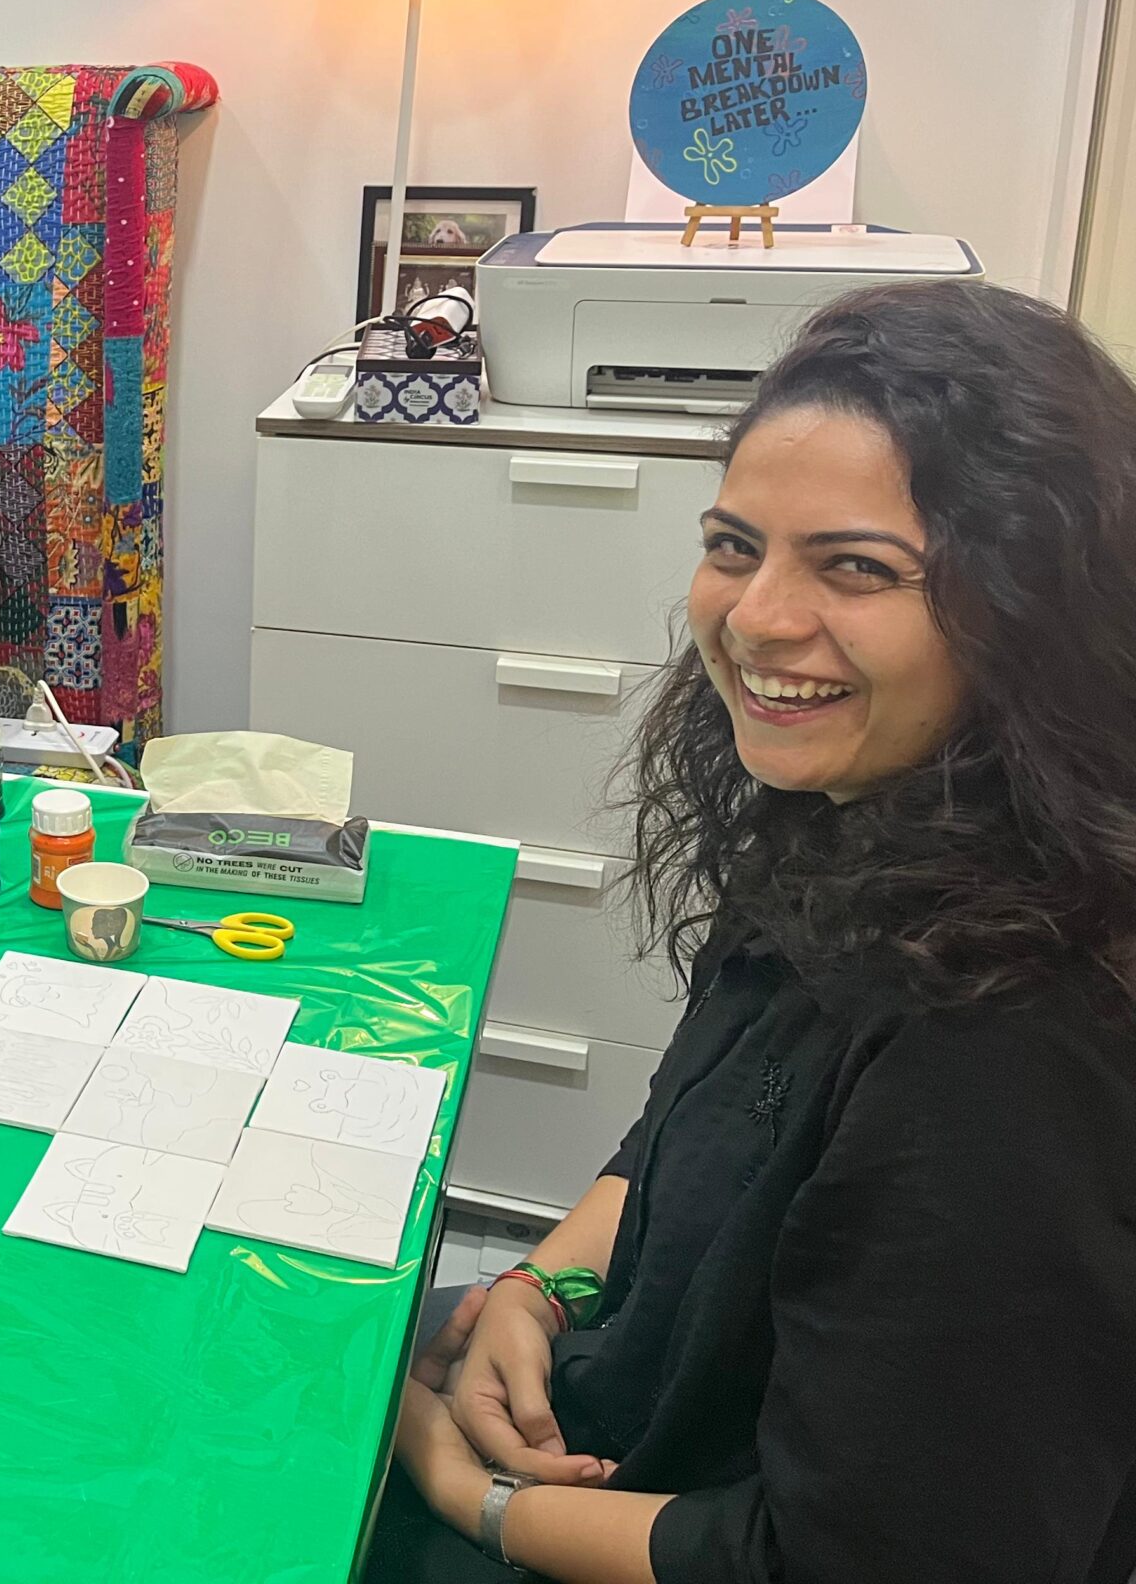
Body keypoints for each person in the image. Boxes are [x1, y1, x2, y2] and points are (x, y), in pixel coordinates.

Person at [367, 280, 1136, 1584]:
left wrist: (467, 1496)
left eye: (856, 567)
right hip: (632, 1395)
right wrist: (534, 1293)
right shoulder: (856, 813)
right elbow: (688, 1132)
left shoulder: (1011, 1047)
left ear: (1032, 606)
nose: (757, 617)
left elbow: (861, 1560)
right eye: (734, 546)